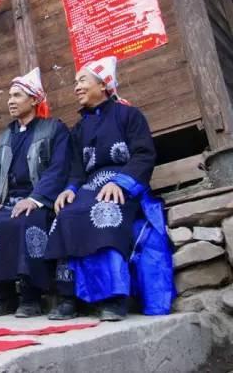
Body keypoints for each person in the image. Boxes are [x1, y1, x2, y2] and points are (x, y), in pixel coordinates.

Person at [45, 56, 175, 321]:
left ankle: (114, 298)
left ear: (103, 84)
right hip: (89, 188)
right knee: (66, 215)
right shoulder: (79, 128)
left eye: (82, 81)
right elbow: (76, 168)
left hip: (123, 185)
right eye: (75, 83)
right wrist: (70, 189)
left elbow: (143, 154)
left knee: (105, 212)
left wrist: (121, 183)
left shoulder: (129, 115)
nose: (76, 87)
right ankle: (68, 297)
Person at [0, 68, 72, 319]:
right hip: (10, 203)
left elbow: (59, 169)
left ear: (34, 100)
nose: (10, 101)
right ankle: (5, 297)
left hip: (40, 202)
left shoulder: (54, 129)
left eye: (17, 95)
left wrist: (34, 199)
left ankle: (31, 297)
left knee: (29, 225)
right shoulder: (6, 136)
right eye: (9, 96)